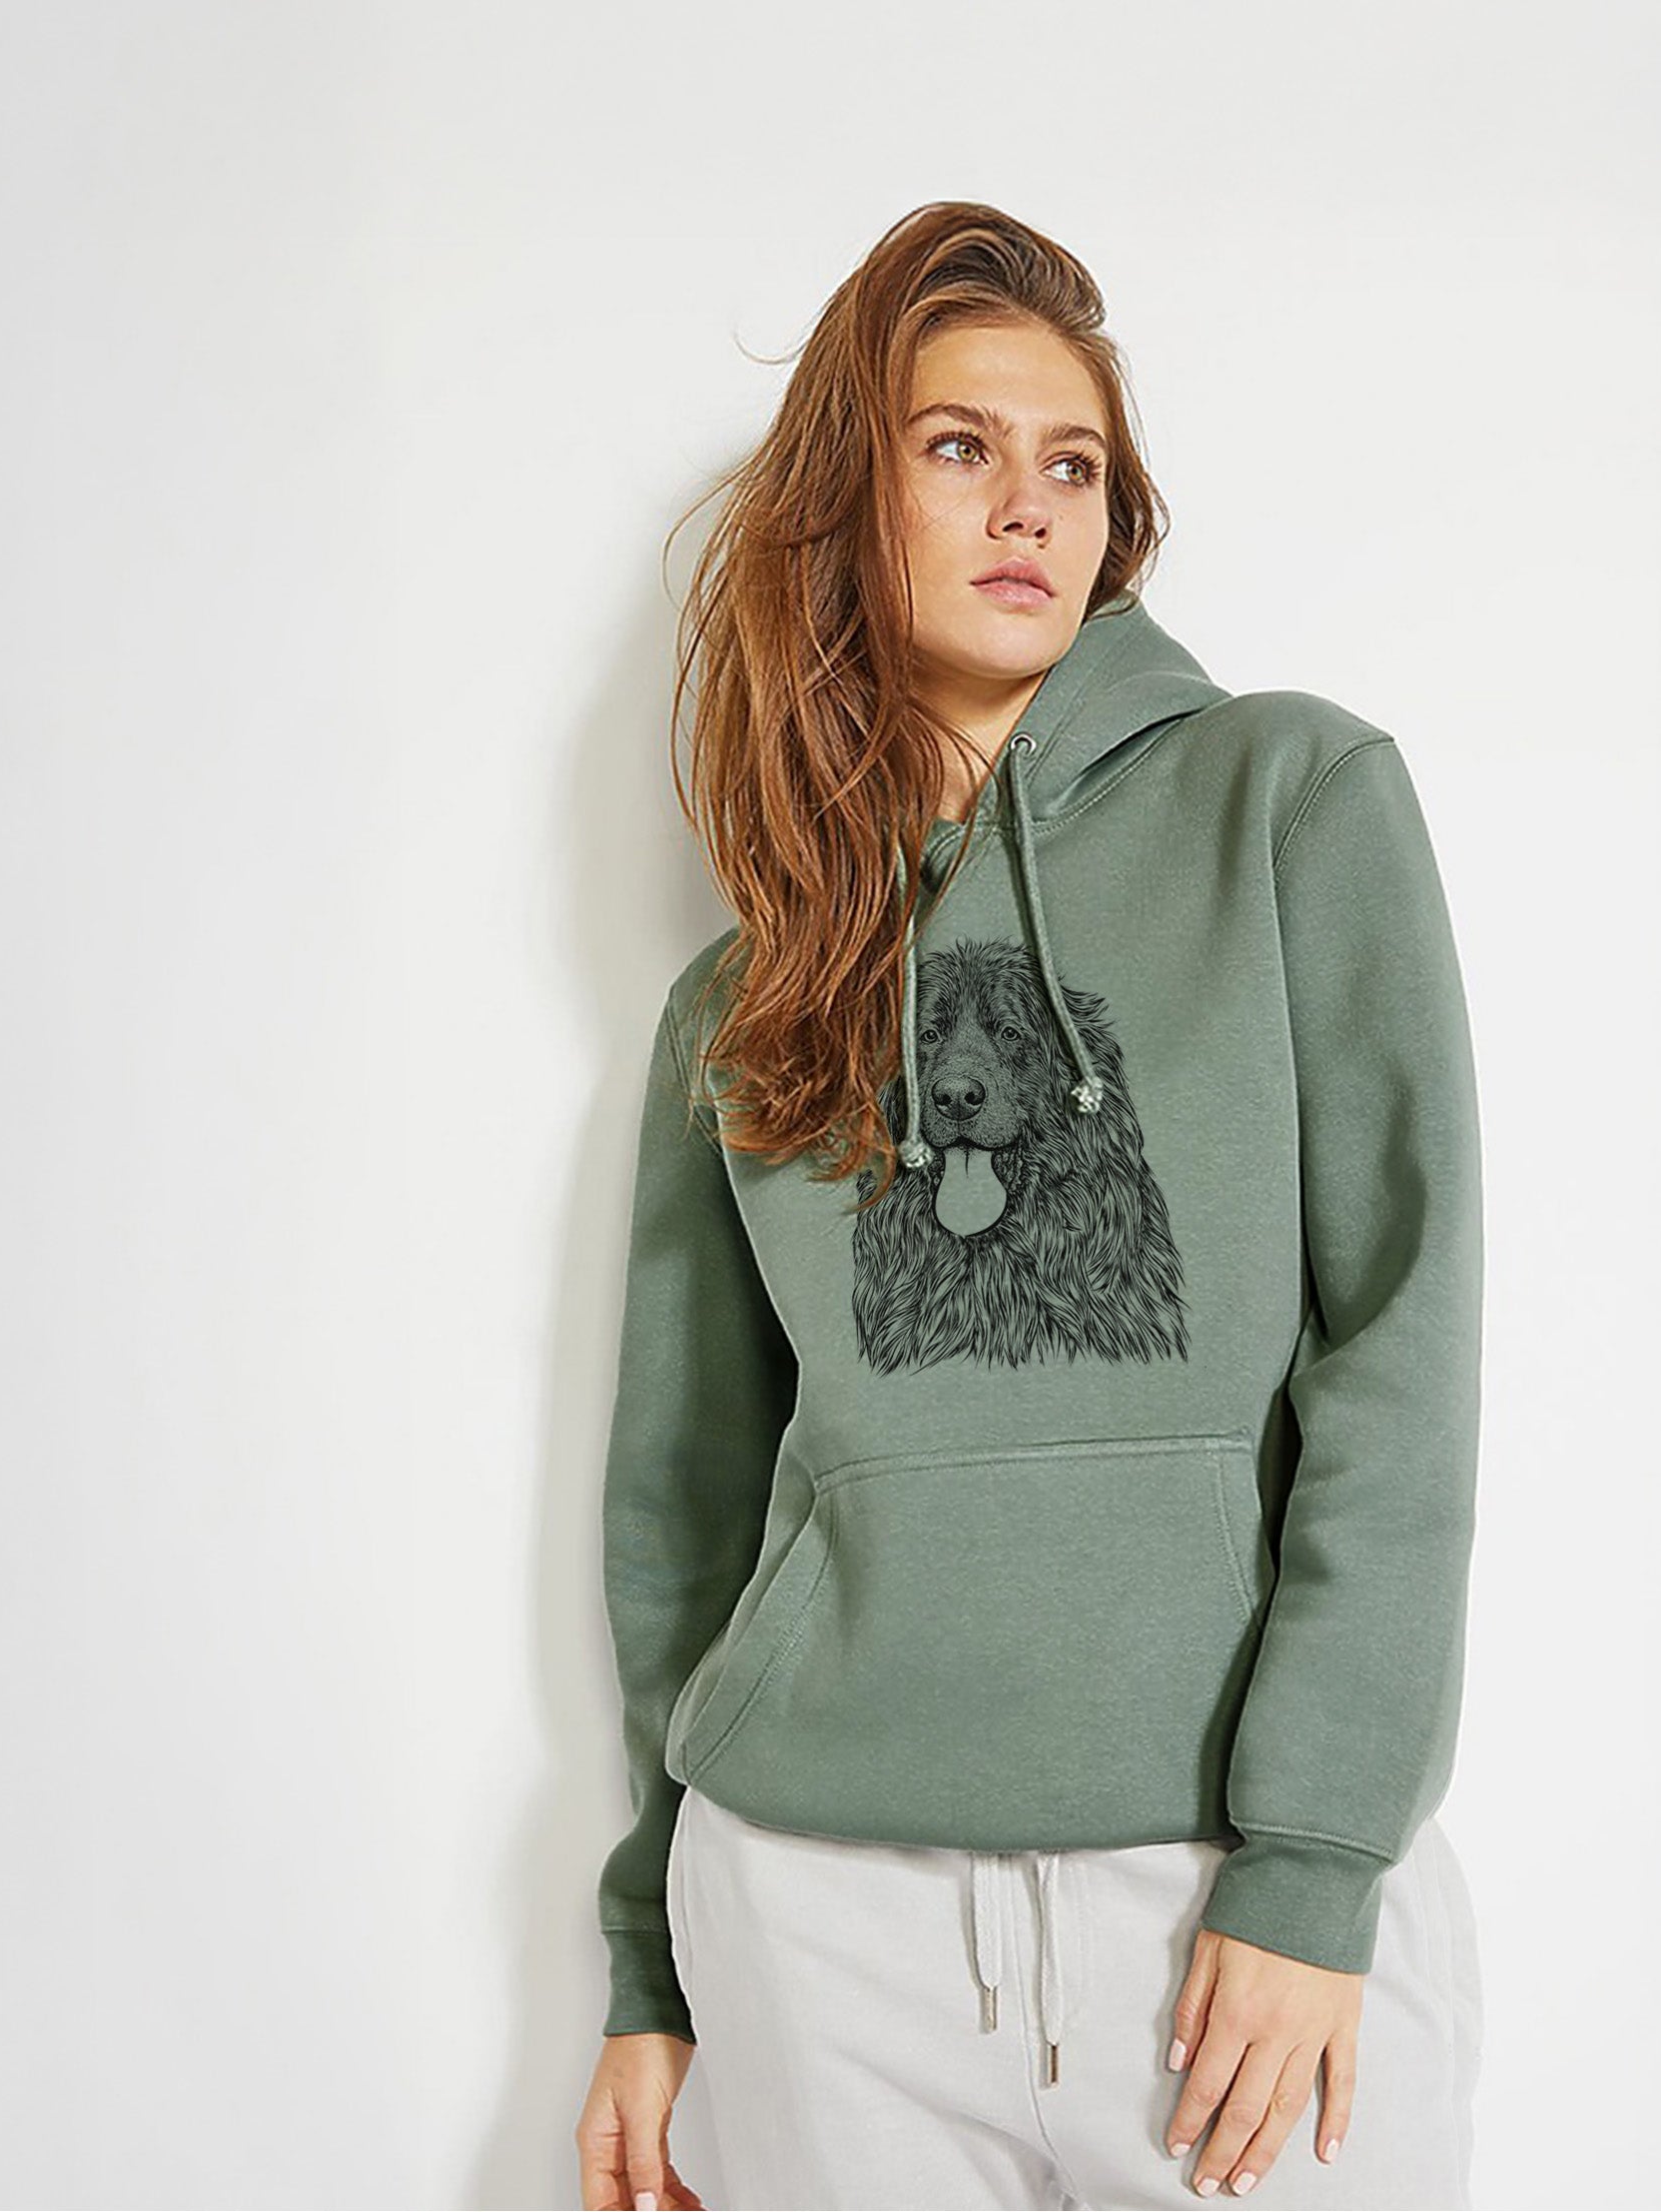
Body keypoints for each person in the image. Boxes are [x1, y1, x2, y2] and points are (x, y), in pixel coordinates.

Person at [575, 200, 1486, 2212]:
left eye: (1072, 463)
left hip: (1225, 1909)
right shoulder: (748, 991)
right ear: (847, 498)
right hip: (818, 1921)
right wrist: (654, 1967)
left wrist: (1315, 1856)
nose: (1027, 506)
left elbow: (1399, 1344)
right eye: (958, 447)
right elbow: (681, 1501)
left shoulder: (1290, 801)